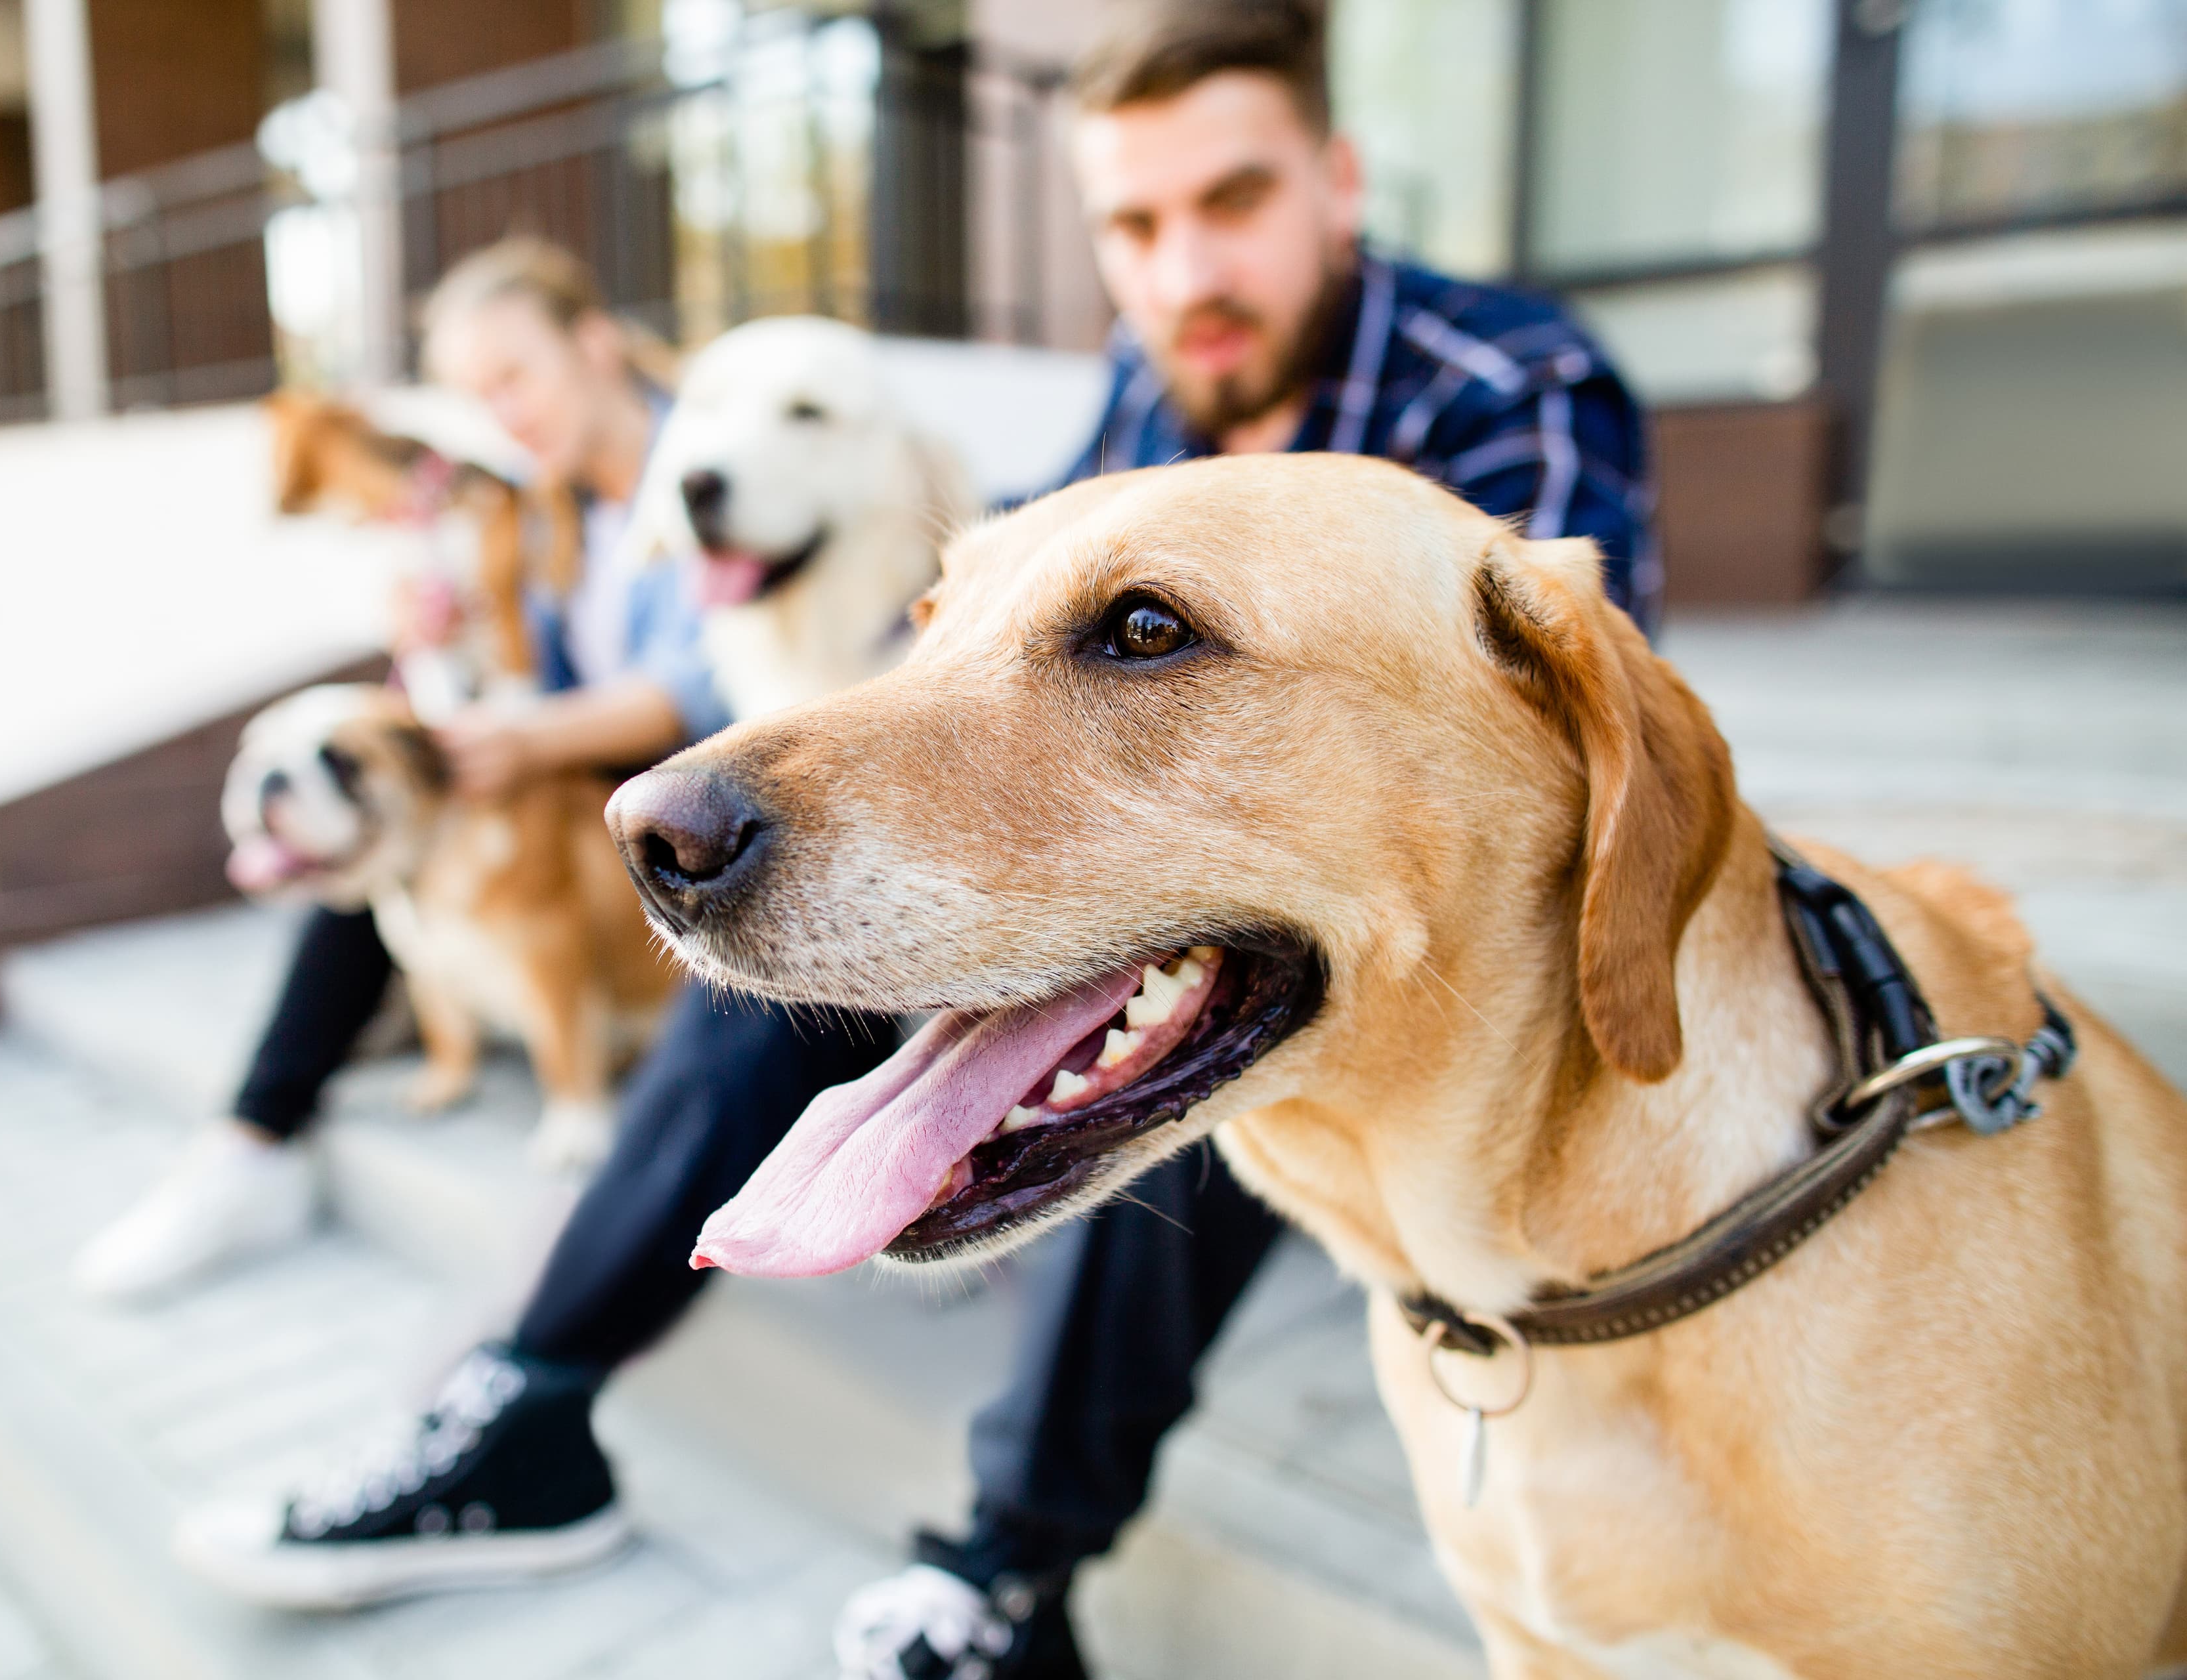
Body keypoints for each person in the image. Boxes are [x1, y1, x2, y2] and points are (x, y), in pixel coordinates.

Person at [169, 0, 1659, 1647]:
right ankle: (527, 1402)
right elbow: (1009, 653)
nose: (1181, 273)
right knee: (797, 926)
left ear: (1338, 180)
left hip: (1419, 976)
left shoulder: (1511, 382)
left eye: (1230, 203)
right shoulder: (1150, 380)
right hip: (1164, 871)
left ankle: (1003, 1570)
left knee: (1204, 993)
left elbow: (1539, 756)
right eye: (1133, 225)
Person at [70, 238, 734, 1303]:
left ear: (596, 344)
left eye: (516, 375)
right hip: (583, 780)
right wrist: (444, 642)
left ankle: (269, 1128)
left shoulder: (709, 468)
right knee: (377, 830)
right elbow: (527, 684)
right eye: (479, 394)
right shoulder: (542, 509)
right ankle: (253, 1138)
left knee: (414, 834)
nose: (502, 412)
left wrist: (524, 739)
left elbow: (700, 687)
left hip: (707, 785)